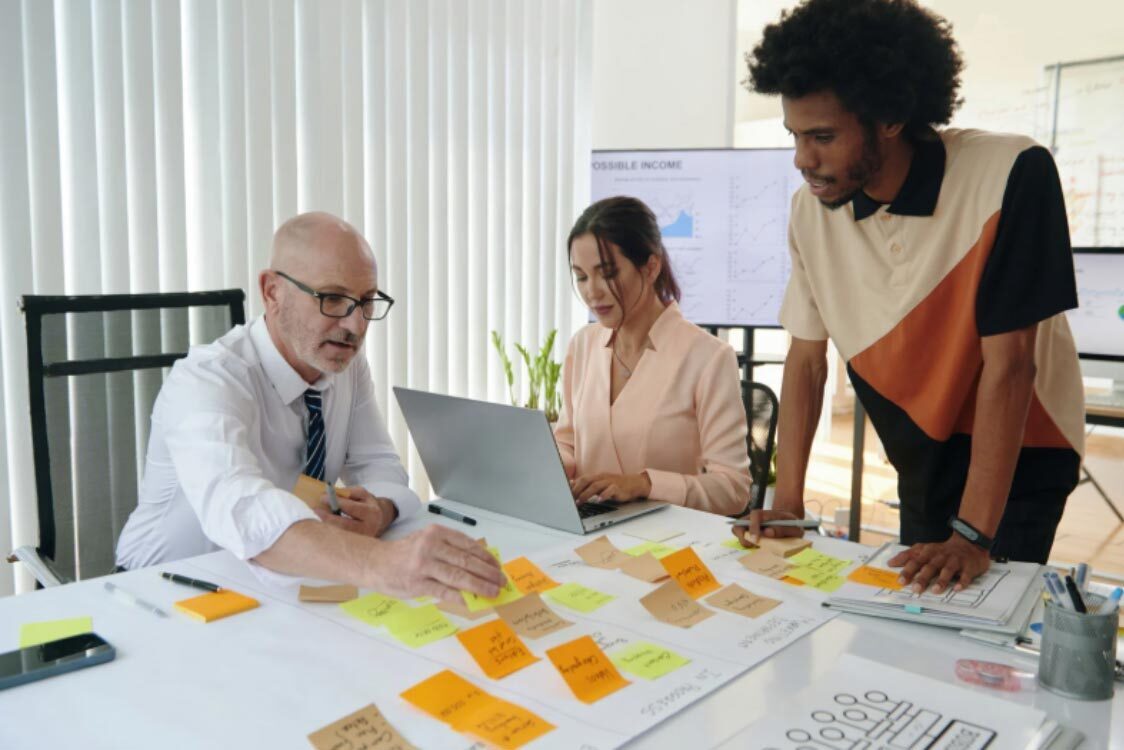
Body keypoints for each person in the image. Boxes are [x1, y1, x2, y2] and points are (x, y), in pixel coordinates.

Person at [735, 0, 1085, 594]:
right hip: (920, 451)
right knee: (918, 613)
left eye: (823, 137)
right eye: (795, 135)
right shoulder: (809, 212)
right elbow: (806, 359)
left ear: (891, 117)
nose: (802, 160)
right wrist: (787, 502)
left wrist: (972, 535)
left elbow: (1010, 365)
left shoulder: (1012, 172)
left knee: (980, 618)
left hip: (1026, 450)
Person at [116, 212, 503, 600]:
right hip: (162, 591)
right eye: (332, 298)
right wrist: (379, 562)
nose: (355, 326)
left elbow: (379, 465)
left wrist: (379, 510)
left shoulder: (344, 365)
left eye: (366, 302)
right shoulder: (207, 380)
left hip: (278, 590)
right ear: (272, 292)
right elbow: (241, 508)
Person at [554, 196, 752, 516]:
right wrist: (554, 466)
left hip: (667, 537)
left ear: (651, 267)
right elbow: (568, 442)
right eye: (581, 276)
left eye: (607, 273)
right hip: (588, 529)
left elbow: (733, 490)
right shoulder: (583, 345)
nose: (592, 291)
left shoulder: (709, 358)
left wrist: (645, 484)